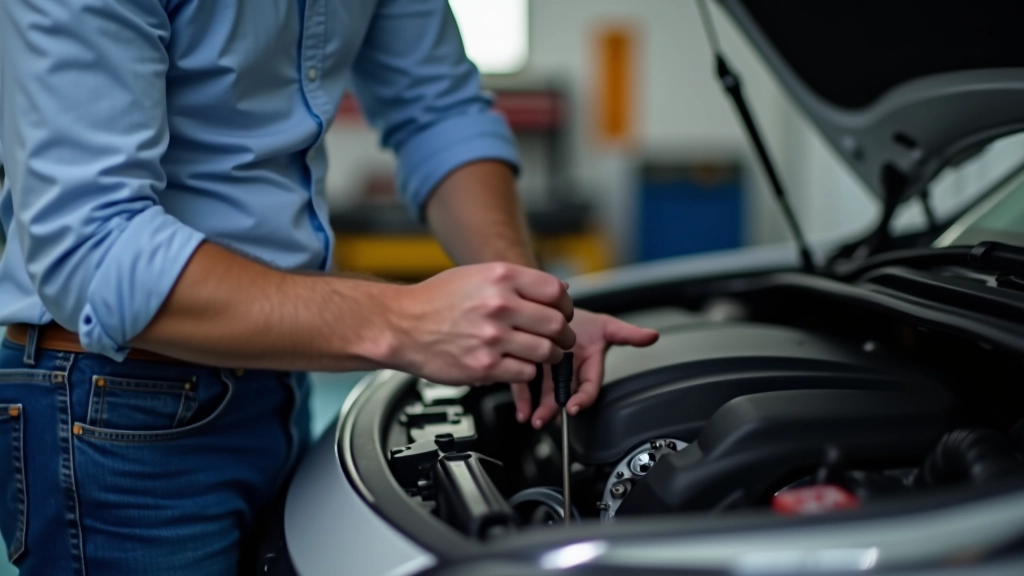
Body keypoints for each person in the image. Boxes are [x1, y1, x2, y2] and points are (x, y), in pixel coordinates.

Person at [0, 0, 659, 574]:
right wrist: (406, 322)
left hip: (279, 374)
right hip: (110, 404)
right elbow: (94, 247)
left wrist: (528, 306)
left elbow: (440, 110)